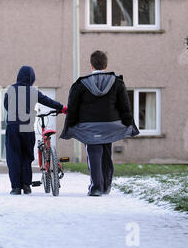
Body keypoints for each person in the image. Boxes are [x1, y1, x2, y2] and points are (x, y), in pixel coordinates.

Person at [60, 51, 139, 196]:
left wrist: (71, 124)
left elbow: (73, 107)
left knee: (94, 153)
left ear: (91, 65)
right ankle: (106, 186)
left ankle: (96, 187)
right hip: (111, 126)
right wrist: (128, 122)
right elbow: (125, 106)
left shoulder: (81, 84)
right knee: (107, 153)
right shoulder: (117, 82)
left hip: (89, 127)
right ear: (106, 64)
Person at [4, 65, 67, 195]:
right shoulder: (33, 91)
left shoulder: (11, 89)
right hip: (27, 127)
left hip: (13, 126)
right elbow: (47, 101)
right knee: (27, 156)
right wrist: (61, 107)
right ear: (32, 78)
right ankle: (26, 185)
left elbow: (6, 105)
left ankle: (16, 188)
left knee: (13, 156)